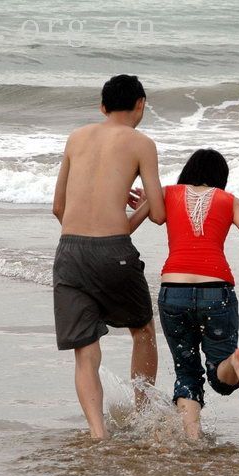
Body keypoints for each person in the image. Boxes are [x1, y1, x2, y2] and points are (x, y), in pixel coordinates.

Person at [130, 149, 239, 439]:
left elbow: (139, 222)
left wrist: (145, 204)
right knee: (221, 377)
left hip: (174, 292)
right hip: (216, 291)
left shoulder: (168, 193)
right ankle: (234, 362)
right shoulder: (231, 201)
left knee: (186, 372)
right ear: (220, 178)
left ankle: (193, 439)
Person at [51, 74, 166, 440]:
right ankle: (142, 415)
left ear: (102, 107)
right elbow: (160, 213)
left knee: (86, 351)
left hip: (68, 251)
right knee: (143, 330)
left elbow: (58, 208)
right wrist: (140, 208)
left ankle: (98, 433)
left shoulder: (76, 137)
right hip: (114, 252)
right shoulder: (141, 143)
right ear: (141, 104)